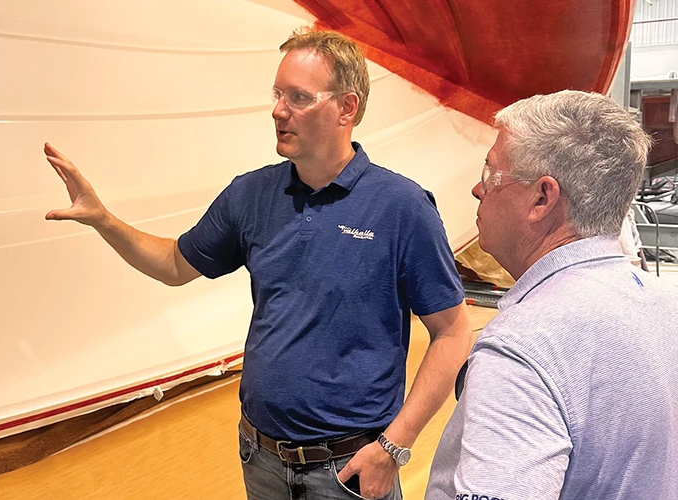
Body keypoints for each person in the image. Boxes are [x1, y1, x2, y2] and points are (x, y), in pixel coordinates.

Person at [45, 29, 472, 500]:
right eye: (277, 94)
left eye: (298, 97)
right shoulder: (250, 196)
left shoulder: (401, 208)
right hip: (261, 460)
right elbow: (173, 263)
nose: (277, 110)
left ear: (347, 108)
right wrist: (104, 220)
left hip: (350, 471)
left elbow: (453, 333)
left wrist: (393, 447)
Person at [425, 90, 678, 500]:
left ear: (542, 198)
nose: (477, 189)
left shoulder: (524, 347)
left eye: (490, 174)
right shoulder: (666, 306)